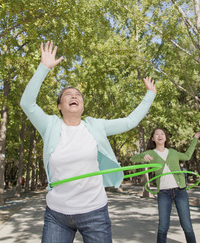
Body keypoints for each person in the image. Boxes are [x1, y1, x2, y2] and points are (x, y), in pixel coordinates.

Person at [20, 41, 156, 243]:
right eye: (68, 95)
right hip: (57, 214)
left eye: (78, 96)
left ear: (82, 105)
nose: (74, 96)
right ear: (59, 105)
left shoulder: (95, 126)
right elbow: (27, 104)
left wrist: (150, 95)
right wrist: (44, 68)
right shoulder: (50, 125)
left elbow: (130, 121)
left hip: (94, 211)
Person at [131, 128, 200, 243]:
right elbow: (133, 159)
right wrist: (142, 157)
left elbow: (187, 156)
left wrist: (195, 139)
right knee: (163, 227)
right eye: (156, 134)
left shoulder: (173, 152)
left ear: (165, 138)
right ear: (153, 138)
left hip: (180, 191)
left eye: (162, 133)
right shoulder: (151, 153)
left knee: (187, 226)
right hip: (163, 193)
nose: (160, 135)